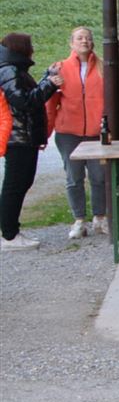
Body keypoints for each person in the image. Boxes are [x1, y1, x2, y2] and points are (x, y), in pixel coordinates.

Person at [1, 33, 62, 250]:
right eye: (30, 46)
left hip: (23, 137)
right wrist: (49, 84)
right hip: (18, 137)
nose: (33, 50)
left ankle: (11, 231)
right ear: (21, 48)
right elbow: (24, 101)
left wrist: (47, 78)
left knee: (21, 183)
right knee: (15, 185)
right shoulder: (9, 70)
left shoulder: (14, 69)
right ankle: (9, 235)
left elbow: (28, 95)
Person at [50, 26, 108, 238]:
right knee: (74, 177)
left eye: (88, 38)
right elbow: (50, 102)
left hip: (95, 132)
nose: (84, 41)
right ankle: (79, 220)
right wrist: (46, 131)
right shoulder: (59, 68)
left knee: (99, 177)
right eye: (80, 38)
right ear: (71, 43)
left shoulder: (103, 67)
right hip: (68, 132)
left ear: (93, 42)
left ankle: (100, 218)